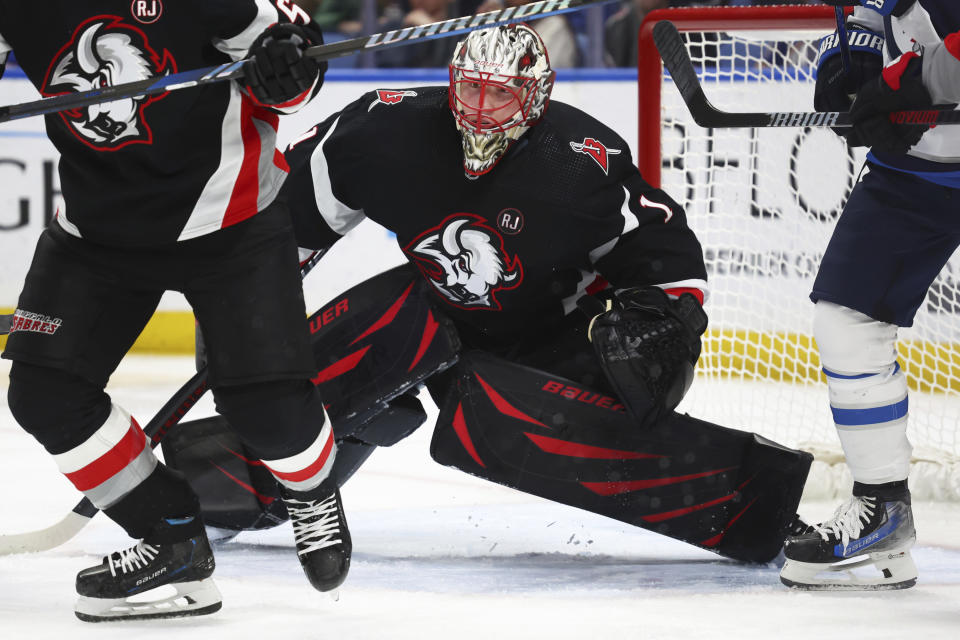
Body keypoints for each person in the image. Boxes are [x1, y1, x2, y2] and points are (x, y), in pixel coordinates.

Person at [169, 23, 813, 566]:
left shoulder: (578, 163)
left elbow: (666, 254)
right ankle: (214, 484)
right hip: (433, 315)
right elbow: (284, 225)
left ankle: (755, 506)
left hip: (552, 343)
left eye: (499, 95)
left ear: (532, 99)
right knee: (392, 322)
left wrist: (663, 319)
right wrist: (244, 310)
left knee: (496, 424)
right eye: (470, 89)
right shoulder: (382, 133)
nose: (479, 109)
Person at [0, 0, 350, 622]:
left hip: (229, 218)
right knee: (44, 392)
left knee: (267, 414)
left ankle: (313, 491)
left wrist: (288, 72)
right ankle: (172, 535)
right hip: (96, 230)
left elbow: (296, 61)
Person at [781, 0, 960, 591]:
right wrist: (851, 64)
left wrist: (904, 82)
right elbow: (869, 14)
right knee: (846, 322)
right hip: (915, 172)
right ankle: (882, 510)